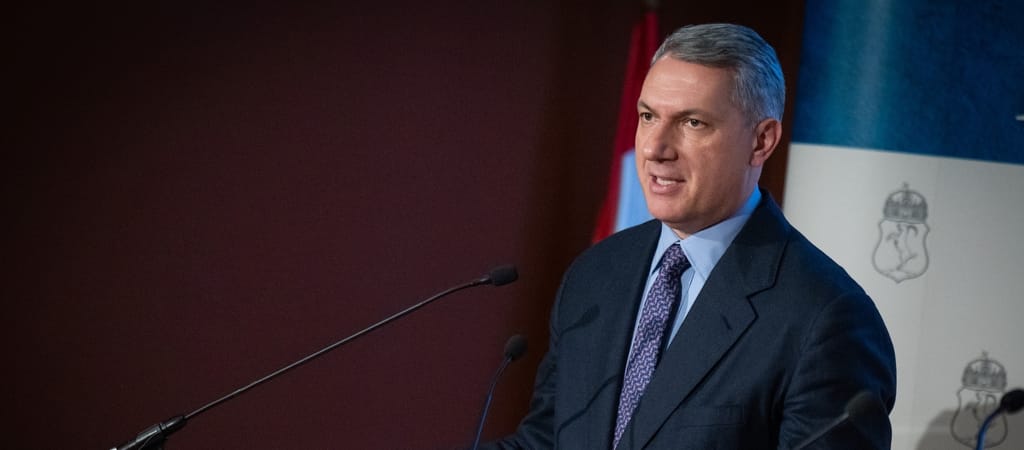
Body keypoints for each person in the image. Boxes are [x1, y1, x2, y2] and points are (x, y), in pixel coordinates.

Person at [487, 23, 897, 449]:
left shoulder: (825, 318)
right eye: (648, 117)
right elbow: (547, 440)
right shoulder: (596, 274)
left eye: (693, 122)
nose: (655, 148)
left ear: (761, 141)